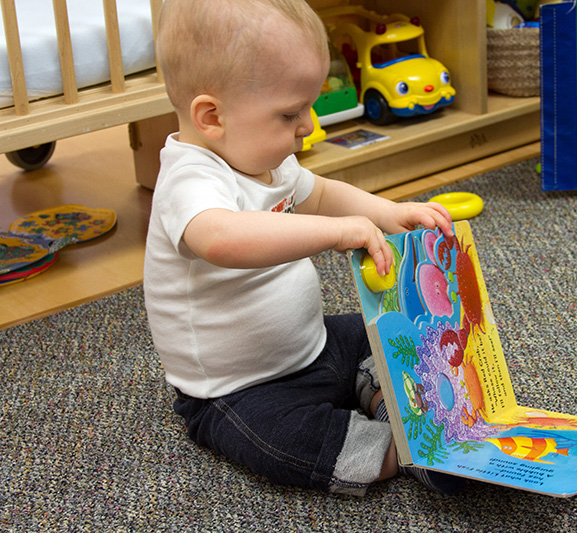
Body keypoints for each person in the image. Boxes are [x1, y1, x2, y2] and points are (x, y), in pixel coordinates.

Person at [143, 0, 463, 497]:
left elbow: (323, 193)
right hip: (239, 390)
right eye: (290, 113)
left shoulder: (268, 162)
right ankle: (398, 448)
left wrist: (385, 212)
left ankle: (389, 398)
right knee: (286, 442)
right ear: (212, 117)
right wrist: (335, 233)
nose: (309, 126)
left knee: (374, 330)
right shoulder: (190, 177)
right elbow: (220, 238)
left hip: (313, 343)